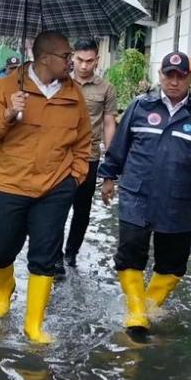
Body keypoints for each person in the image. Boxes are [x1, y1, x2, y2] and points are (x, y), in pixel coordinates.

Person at [98, 51, 191, 340]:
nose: (175, 81)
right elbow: (119, 145)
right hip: (136, 195)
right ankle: (136, 313)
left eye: (181, 76)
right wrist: (108, 176)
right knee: (130, 253)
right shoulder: (140, 107)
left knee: (174, 262)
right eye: (169, 75)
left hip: (176, 200)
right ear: (160, 76)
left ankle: (149, 306)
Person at [0, 30, 92, 344]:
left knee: (44, 258)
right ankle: (5, 289)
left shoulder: (74, 95)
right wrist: (9, 113)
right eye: (66, 56)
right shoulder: (6, 86)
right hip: (10, 184)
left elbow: (84, 142)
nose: (71, 62)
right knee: (0, 252)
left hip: (55, 188)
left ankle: (34, 325)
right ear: (44, 58)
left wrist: (74, 178)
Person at [58, 38, 117, 273]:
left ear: (97, 60)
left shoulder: (106, 89)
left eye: (89, 61)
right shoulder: (60, 82)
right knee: (56, 207)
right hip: (60, 156)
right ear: (72, 57)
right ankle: (53, 254)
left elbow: (109, 123)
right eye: (80, 60)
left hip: (89, 157)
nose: (84, 66)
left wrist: (110, 164)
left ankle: (71, 253)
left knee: (82, 209)